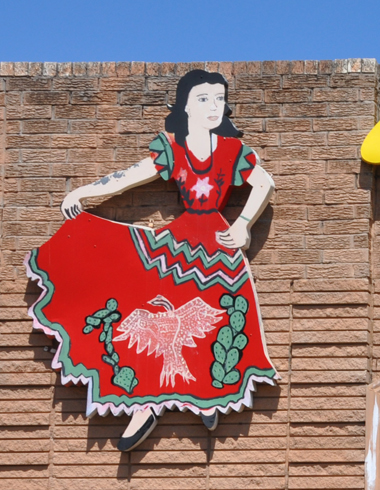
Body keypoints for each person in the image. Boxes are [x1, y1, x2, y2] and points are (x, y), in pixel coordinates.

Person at [25, 70, 278, 451]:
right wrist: (84, 192)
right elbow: (129, 177)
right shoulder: (173, 149)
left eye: (219, 99)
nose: (213, 106)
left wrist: (243, 223)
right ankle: (145, 406)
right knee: (151, 311)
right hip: (178, 244)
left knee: (218, 314)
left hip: (219, 244)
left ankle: (209, 395)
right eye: (203, 99)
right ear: (184, 106)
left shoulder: (231, 151)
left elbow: (264, 183)